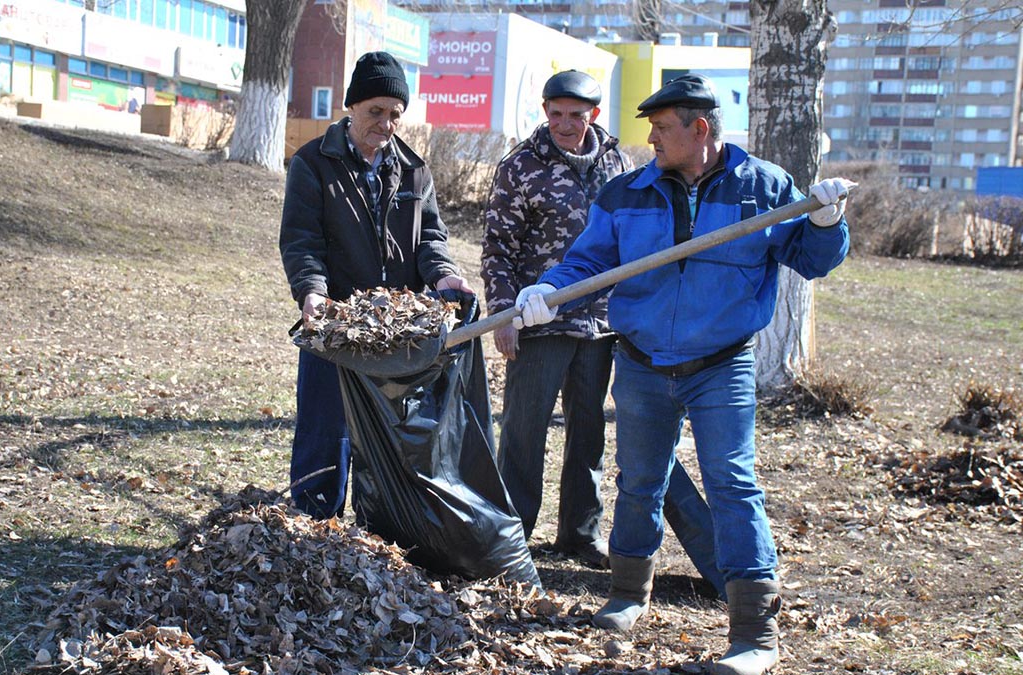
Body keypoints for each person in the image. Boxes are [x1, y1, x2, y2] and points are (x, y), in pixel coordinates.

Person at [513, 73, 853, 675]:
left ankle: (754, 631)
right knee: (640, 479)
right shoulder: (629, 193)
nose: (650, 138)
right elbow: (589, 260)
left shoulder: (763, 188)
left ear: (700, 129)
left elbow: (810, 259)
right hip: (642, 363)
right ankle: (627, 594)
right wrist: (548, 289)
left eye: (662, 127)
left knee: (731, 482)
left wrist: (826, 224)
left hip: (721, 364)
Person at [481, 70, 724, 594]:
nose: (565, 124)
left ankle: (578, 533)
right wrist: (505, 314)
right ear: (544, 112)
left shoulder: (619, 164)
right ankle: (514, 535)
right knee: (524, 432)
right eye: (556, 114)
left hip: (601, 326)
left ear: (593, 115)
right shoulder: (520, 167)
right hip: (539, 322)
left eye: (576, 114)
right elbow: (497, 250)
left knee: (588, 435)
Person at [279, 51, 473, 519]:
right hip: (336, 324)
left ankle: (382, 533)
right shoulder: (313, 164)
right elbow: (303, 241)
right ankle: (313, 531)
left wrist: (442, 273)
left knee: (393, 435)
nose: (386, 125)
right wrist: (313, 293)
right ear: (351, 107)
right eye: (375, 112)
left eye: (395, 115)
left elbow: (429, 238)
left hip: (396, 331)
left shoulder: (414, 170)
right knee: (326, 431)